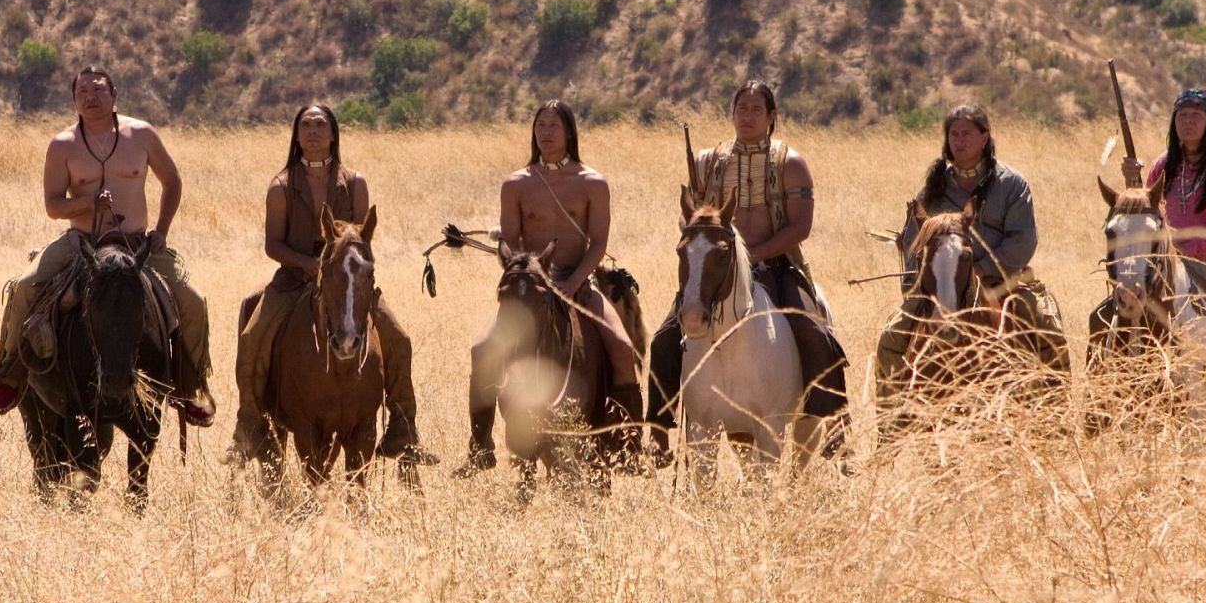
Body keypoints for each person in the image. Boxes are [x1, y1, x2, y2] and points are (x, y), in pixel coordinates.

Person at [0, 67, 215, 424]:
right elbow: (53, 205)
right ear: (74, 99)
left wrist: (162, 231)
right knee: (25, 287)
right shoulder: (62, 144)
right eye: (82, 92)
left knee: (193, 299)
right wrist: (88, 203)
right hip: (82, 244)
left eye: (98, 90)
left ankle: (189, 386)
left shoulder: (142, 134)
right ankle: (9, 374)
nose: (90, 97)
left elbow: (172, 181)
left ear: (115, 94)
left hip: (138, 247)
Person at [645, 82, 849, 459]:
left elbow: (800, 227)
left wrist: (750, 256)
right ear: (732, 113)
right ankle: (658, 429)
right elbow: (689, 215)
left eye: (757, 109)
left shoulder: (791, 163)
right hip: (716, 268)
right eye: (742, 108)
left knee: (814, 332)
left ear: (772, 117)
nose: (748, 116)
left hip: (776, 265)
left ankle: (835, 423)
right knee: (663, 339)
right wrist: (701, 231)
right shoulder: (708, 160)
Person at [227, 104, 436, 467]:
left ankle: (404, 428)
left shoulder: (355, 182)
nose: (312, 131)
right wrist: (308, 263)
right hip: (295, 278)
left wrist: (335, 266)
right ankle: (249, 425)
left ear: (333, 134)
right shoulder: (281, 186)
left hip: (347, 279)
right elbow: (272, 244)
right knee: (253, 334)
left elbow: (360, 237)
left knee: (398, 338)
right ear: (295, 135)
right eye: (305, 125)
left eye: (320, 124)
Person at [453, 99, 644, 477]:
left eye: (554, 125)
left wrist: (573, 283)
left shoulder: (592, 182)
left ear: (569, 132)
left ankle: (627, 448)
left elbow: (598, 243)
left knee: (621, 348)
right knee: (481, 350)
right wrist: (527, 280)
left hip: (579, 283)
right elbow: (509, 245)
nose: (546, 133)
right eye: (540, 125)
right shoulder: (516, 184)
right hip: (530, 289)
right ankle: (480, 447)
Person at [875, 104, 1068, 387]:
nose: (959, 141)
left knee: (1050, 333)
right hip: (940, 287)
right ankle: (893, 424)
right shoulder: (932, 189)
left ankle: (1056, 414)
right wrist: (919, 282)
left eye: (966, 134)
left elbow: (1023, 240)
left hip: (1002, 282)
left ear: (984, 137)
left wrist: (979, 270)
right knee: (889, 342)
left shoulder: (1012, 185)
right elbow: (912, 243)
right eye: (953, 134)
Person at [1119, 87, 1206, 323]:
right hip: (1165, 262)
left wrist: (1187, 248)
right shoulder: (1163, 165)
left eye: (1195, 116)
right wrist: (1132, 180)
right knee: (1111, 313)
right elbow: (1147, 212)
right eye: (1182, 115)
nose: (1187, 122)